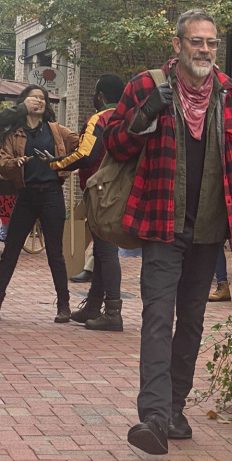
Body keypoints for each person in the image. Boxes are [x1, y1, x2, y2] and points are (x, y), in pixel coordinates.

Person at [103, 9, 232, 455]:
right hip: (161, 224)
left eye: (211, 42)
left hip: (210, 230)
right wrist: (144, 115)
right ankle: (154, 417)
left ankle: (175, 408)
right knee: (158, 318)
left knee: (191, 321)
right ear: (178, 45)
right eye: (196, 41)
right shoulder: (147, 86)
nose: (205, 50)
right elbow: (113, 143)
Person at [50, 74, 126, 331]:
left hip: (100, 190)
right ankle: (94, 306)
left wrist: (56, 164)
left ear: (100, 96)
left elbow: (86, 154)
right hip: (122, 190)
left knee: (106, 251)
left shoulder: (100, 118)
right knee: (103, 252)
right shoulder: (128, 117)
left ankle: (113, 311)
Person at [0, 84, 78, 322]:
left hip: (52, 194)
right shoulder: (14, 132)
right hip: (26, 195)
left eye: (43, 98)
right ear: (24, 102)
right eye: (34, 98)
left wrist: (64, 162)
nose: (39, 101)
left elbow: (82, 146)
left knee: (55, 253)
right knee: (11, 250)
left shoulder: (55, 130)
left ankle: (64, 305)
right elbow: (3, 161)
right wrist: (14, 163)